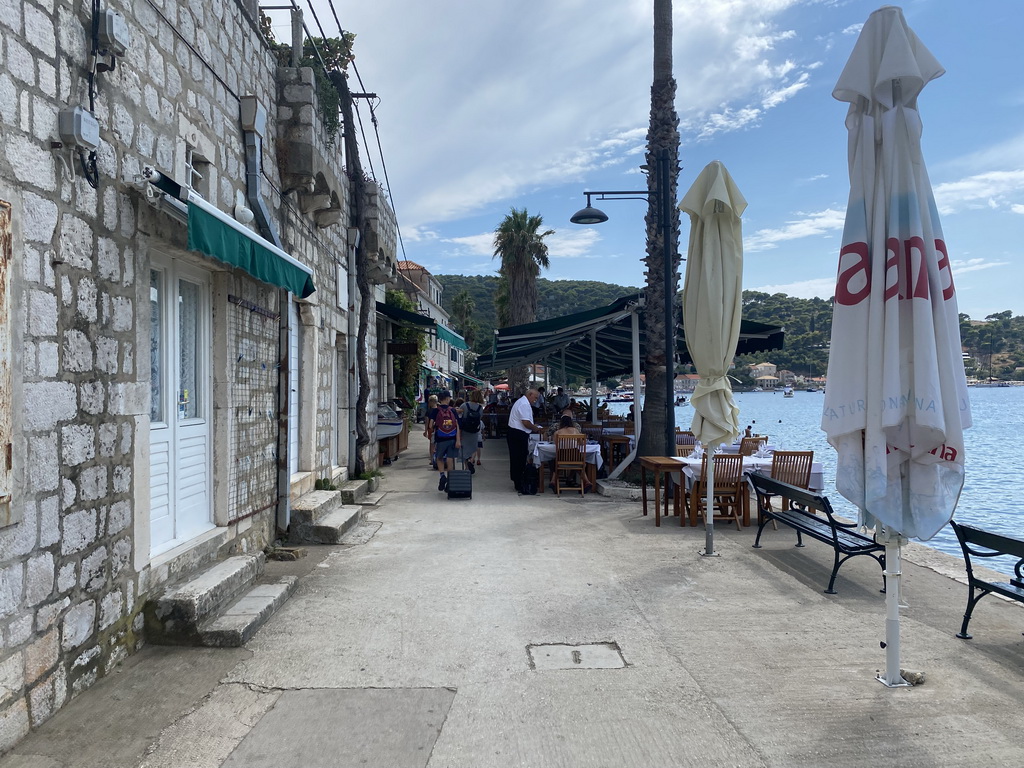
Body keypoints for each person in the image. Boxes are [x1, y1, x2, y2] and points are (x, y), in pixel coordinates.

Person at [507, 388, 543, 493]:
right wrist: (535, 428)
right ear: (530, 394)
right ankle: (518, 482)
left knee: (517, 458)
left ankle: (518, 480)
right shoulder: (524, 404)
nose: (535, 400)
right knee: (519, 458)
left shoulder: (522, 402)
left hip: (516, 433)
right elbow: (526, 422)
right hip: (518, 433)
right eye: (535, 398)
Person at [428, 390, 461, 491]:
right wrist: (458, 440)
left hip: (441, 438)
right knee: (450, 459)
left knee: (439, 458)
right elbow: (458, 426)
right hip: (452, 438)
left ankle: (442, 476)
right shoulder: (453, 410)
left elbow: (430, 426)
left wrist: (434, 428)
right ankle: (450, 482)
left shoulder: (435, 410)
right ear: (447, 399)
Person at [459, 388, 485, 472]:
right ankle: (471, 460)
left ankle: (466, 466)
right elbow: (480, 418)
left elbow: (459, 416)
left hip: (465, 430)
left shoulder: (464, 405)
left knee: (465, 449)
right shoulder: (480, 408)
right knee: (473, 448)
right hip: (474, 431)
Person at [422, 394, 438, 468]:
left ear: (431, 402)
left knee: (431, 444)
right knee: (437, 444)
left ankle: (432, 459)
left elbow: (427, 422)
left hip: (431, 429)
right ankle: (437, 458)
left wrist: (425, 431)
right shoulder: (439, 409)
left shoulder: (429, 411)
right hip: (439, 429)